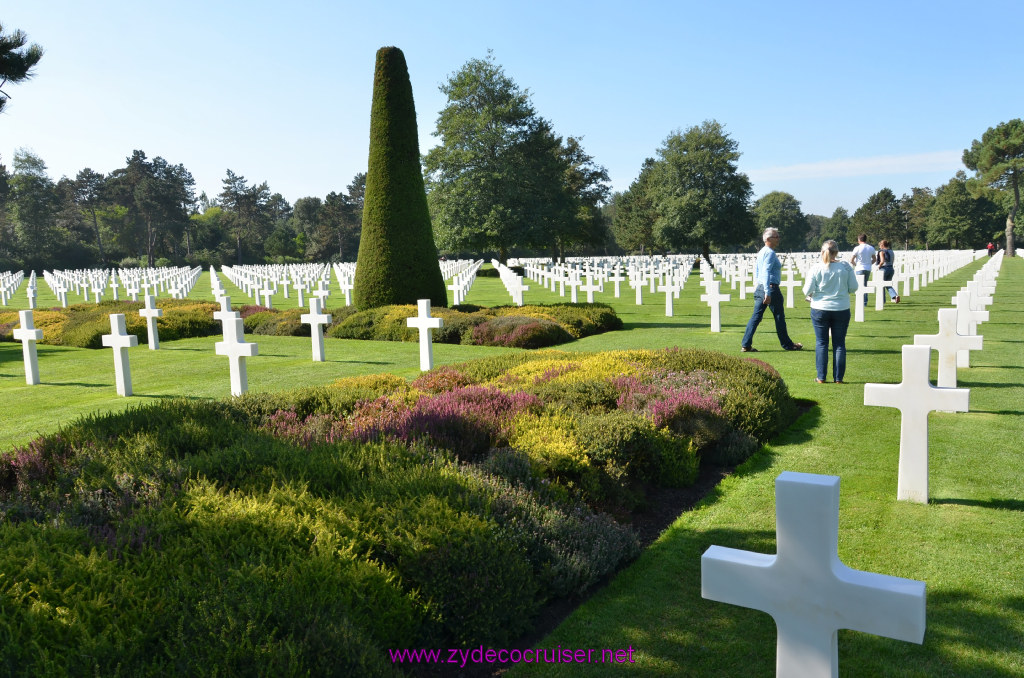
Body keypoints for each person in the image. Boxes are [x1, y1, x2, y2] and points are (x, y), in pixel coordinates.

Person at [803, 239, 859, 383]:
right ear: (837, 252)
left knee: (821, 342)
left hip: (820, 308)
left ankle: (821, 377)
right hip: (841, 308)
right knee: (839, 344)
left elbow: (807, 290)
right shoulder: (845, 266)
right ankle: (838, 378)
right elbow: (853, 287)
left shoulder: (816, 268)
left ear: (822, 252)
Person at [740, 227, 802, 352]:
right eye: (776, 236)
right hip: (770, 288)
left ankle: (746, 344)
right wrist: (767, 292)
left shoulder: (762, 251)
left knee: (756, 317)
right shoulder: (770, 253)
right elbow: (766, 271)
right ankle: (788, 344)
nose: (778, 238)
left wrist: (759, 286)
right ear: (768, 239)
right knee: (779, 317)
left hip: (761, 287)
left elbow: (758, 272)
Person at [849, 233, 875, 305]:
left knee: (859, 285)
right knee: (865, 285)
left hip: (859, 268)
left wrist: (856, 265)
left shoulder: (857, 248)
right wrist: (869, 264)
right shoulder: (871, 248)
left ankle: (860, 301)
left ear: (859, 239)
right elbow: (874, 259)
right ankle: (865, 302)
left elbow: (851, 260)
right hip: (867, 268)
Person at [875, 239, 899, 303]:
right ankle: (895, 296)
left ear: (882, 245)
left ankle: (882, 300)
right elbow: (892, 260)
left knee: (881, 285)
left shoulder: (881, 251)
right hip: (891, 269)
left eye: (880, 245)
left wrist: (878, 267)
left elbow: (882, 261)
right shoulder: (891, 251)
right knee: (888, 284)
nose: (879, 247)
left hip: (884, 269)